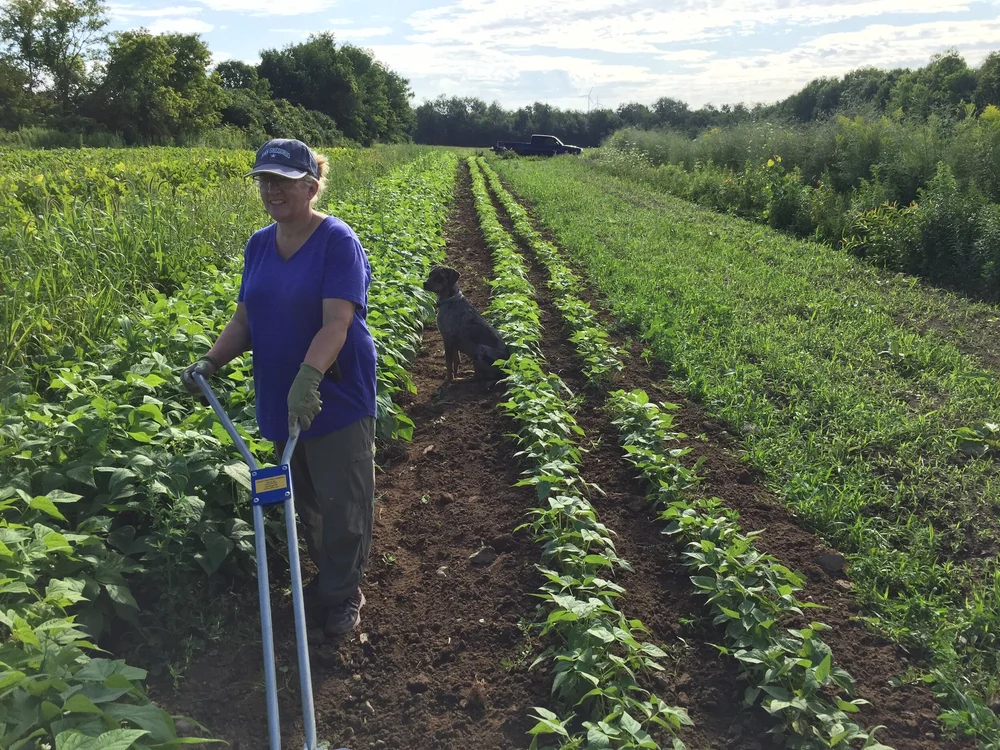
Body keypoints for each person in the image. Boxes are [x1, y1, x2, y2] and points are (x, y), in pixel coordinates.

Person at [181, 138, 377, 637]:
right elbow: (245, 319)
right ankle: (326, 579)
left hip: (333, 393)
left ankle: (342, 596)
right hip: (279, 394)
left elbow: (337, 322)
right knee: (304, 499)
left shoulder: (337, 240)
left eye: (284, 181)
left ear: (311, 186)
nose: (272, 190)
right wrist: (211, 360)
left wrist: (308, 378)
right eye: (265, 181)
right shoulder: (259, 244)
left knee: (343, 503)